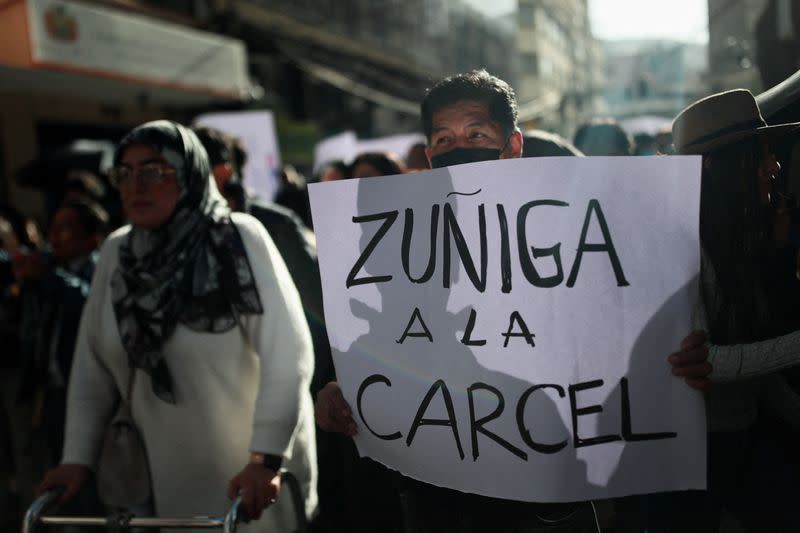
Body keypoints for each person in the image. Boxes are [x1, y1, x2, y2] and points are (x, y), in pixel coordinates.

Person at [315, 70, 598, 533]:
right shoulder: (401, 244)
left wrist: (670, 362)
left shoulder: (568, 233)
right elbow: (378, 333)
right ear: (429, 155)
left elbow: (618, 340)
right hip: (441, 493)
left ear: (513, 146)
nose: (458, 147)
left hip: (544, 484)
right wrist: (335, 386)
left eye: (476, 134)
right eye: (444, 139)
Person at [36, 120, 317, 532]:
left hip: (255, 487)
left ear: (190, 173)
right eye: (125, 173)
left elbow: (288, 356)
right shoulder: (118, 253)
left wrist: (265, 458)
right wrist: (75, 459)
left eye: (154, 171)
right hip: (172, 490)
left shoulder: (236, 239)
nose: (135, 186)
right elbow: (91, 370)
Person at [659, 89, 800, 532]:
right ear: (720, 168)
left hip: (742, 437)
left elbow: (747, 351)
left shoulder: (737, 237)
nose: (774, 167)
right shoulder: (681, 244)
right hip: (691, 456)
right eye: (759, 156)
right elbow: (705, 361)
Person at [15, 197, 109, 467]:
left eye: (66, 227)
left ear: (92, 237)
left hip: (85, 392)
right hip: (51, 394)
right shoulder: (51, 269)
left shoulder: (101, 269)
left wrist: (47, 277)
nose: (55, 236)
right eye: (53, 227)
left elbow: (86, 301)